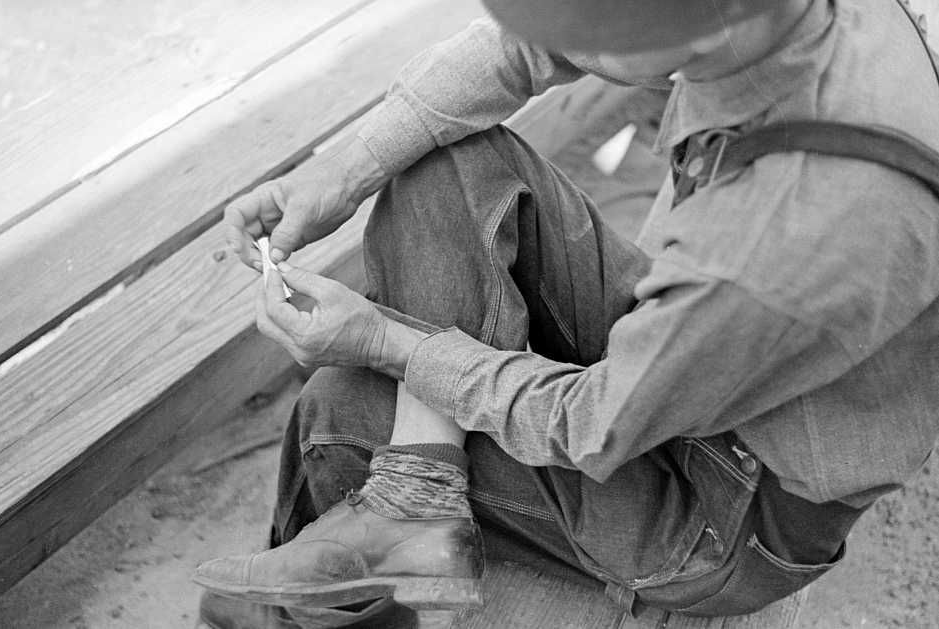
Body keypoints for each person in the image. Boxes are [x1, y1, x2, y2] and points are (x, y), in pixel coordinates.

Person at [194, 0, 939, 626]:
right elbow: (518, 52)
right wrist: (340, 175)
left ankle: (388, 539)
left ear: (703, 33)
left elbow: (592, 423)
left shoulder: (786, 233)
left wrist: (385, 341)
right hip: (701, 355)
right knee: (444, 160)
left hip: (730, 505)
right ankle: (414, 503)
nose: (556, 52)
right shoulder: (762, 18)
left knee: (341, 410)